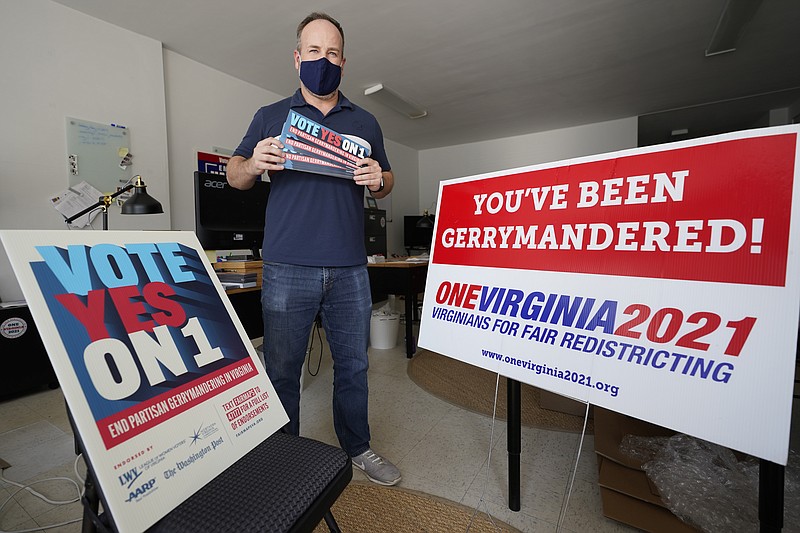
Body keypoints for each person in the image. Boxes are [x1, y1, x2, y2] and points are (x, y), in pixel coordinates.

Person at [227, 12, 400, 486]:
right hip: (286, 268)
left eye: (332, 53)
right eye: (313, 51)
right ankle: (282, 457)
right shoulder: (270, 116)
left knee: (354, 367)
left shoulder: (364, 121)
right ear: (297, 58)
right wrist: (253, 162)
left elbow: (386, 180)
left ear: (343, 61)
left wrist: (378, 179)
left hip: (350, 270)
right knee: (282, 369)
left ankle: (358, 447)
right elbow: (234, 173)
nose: (322, 60)